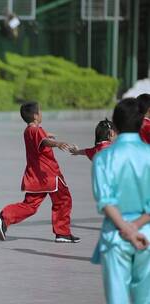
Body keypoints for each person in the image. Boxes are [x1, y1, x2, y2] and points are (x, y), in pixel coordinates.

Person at [0, 101, 80, 243]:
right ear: (35, 116)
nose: (41, 114)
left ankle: (4, 218)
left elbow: (41, 136)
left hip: (35, 176)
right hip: (49, 175)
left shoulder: (29, 131)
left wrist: (47, 135)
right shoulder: (37, 131)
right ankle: (62, 232)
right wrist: (57, 143)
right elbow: (44, 141)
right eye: (40, 111)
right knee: (64, 200)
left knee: (30, 206)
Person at [92, 98, 150, 304]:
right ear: (142, 123)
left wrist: (126, 229)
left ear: (115, 125)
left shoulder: (104, 157)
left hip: (115, 235)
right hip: (146, 234)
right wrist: (136, 228)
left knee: (117, 299)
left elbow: (106, 201)